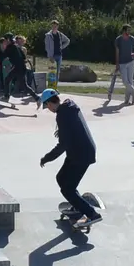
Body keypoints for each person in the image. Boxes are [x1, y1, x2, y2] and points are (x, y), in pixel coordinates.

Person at [39, 88, 100, 223]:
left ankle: (92, 214)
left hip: (81, 155)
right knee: (61, 178)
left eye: (46, 106)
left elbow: (62, 145)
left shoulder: (62, 115)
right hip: (77, 152)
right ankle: (78, 206)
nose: (47, 109)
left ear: (49, 103)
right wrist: (62, 131)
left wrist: (46, 158)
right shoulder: (68, 107)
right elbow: (72, 127)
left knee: (67, 189)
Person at [107, 24, 134, 105]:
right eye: (128, 30)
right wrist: (117, 64)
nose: (129, 32)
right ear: (124, 31)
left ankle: (127, 100)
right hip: (122, 63)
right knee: (125, 81)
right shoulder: (118, 39)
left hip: (130, 62)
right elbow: (117, 52)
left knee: (130, 81)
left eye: (130, 30)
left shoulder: (131, 38)